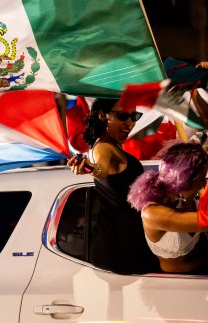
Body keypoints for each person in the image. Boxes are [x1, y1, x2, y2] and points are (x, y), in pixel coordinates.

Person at [66, 98, 159, 274]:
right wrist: (85, 167)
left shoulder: (106, 146)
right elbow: (100, 170)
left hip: (117, 243)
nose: (130, 123)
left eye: (134, 116)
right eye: (123, 116)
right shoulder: (104, 148)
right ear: (102, 115)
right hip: (122, 249)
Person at [126, 141, 208, 273]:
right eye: (201, 179)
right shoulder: (152, 214)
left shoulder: (182, 194)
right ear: (184, 180)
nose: (203, 185)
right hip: (182, 283)